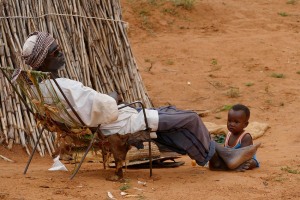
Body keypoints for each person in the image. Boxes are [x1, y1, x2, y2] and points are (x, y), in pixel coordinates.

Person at [20, 31, 260, 172]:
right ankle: (218, 157)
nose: (61, 53)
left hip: (107, 122)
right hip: (118, 123)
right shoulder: (65, 87)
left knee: (172, 115)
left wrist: (108, 101)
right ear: (43, 60)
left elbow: (88, 108)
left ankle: (222, 157)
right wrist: (113, 98)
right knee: (190, 118)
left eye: (58, 49)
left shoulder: (44, 89)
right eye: (55, 52)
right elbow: (102, 109)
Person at [224, 104, 259, 170]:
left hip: (243, 159)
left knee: (250, 163)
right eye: (229, 121)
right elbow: (224, 150)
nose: (231, 124)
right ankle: (232, 165)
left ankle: (234, 165)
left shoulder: (246, 137)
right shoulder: (228, 135)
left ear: (245, 124)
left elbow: (244, 155)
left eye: (236, 122)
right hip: (230, 159)